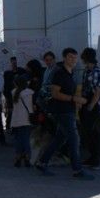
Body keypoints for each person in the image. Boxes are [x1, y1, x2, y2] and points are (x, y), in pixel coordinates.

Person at [35, 48, 94, 179]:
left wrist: (76, 100)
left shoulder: (69, 73)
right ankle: (77, 170)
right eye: (70, 57)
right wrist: (74, 99)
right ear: (64, 58)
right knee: (74, 140)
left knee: (59, 139)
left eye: (75, 57)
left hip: (67, 110)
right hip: (62, 112)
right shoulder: (60, 73)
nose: (73, 60)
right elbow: (55, 94)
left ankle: (42, 162)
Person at [80, 47, 100, 169]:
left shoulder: (97, 72)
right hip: (86, 103)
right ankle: (92, 158)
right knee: (88, 132)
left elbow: (98, 92)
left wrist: (90, 106)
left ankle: (95, 160)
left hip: (94, 105)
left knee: (93, 132)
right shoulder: (87, 71)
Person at [11, 75, 34, 168]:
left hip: (16, 120)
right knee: (26, 139)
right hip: (27, 119)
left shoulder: (14, 92)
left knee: (18, 140)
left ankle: (18, 158)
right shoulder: (30, 93)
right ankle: (27, 158)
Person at [3, 57, 27, 132]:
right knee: (11, 112)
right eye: (12, 62)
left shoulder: (22, 71)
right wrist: (7, 97)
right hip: (10, 96)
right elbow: (5, 86)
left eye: (15, 62)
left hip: (21, 96)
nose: (14, 64)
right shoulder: (7, 73)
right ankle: (10, 127)